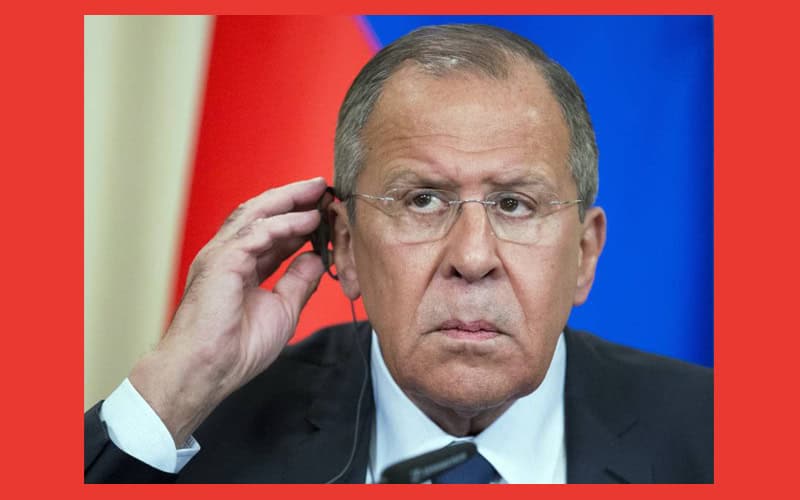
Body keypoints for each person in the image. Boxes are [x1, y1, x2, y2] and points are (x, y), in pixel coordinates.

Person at [84, 23, 712, 483]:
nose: (473, 257)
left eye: (515, 204)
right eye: (423, 200)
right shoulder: (205, 432)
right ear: (347, 246)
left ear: (585, 252)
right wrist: (176, 388)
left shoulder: (713, 435)